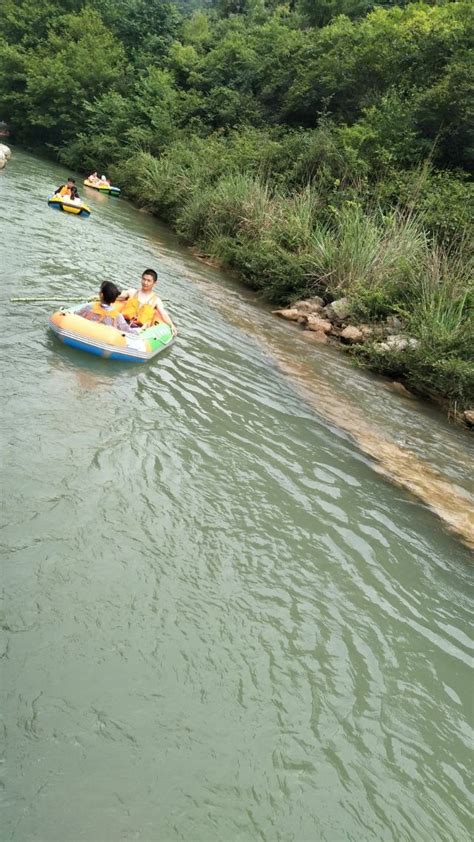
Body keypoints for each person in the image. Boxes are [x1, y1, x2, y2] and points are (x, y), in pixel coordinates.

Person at [118, 269, 177, 334]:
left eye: (149, 281)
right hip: (122, 323)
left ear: (154, 283)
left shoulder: (156, 301)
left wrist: (172, 325)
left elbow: (163, 314)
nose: (145, 282)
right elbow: (116, 297)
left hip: (139, 330)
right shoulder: (132, 292)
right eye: (144, 279)